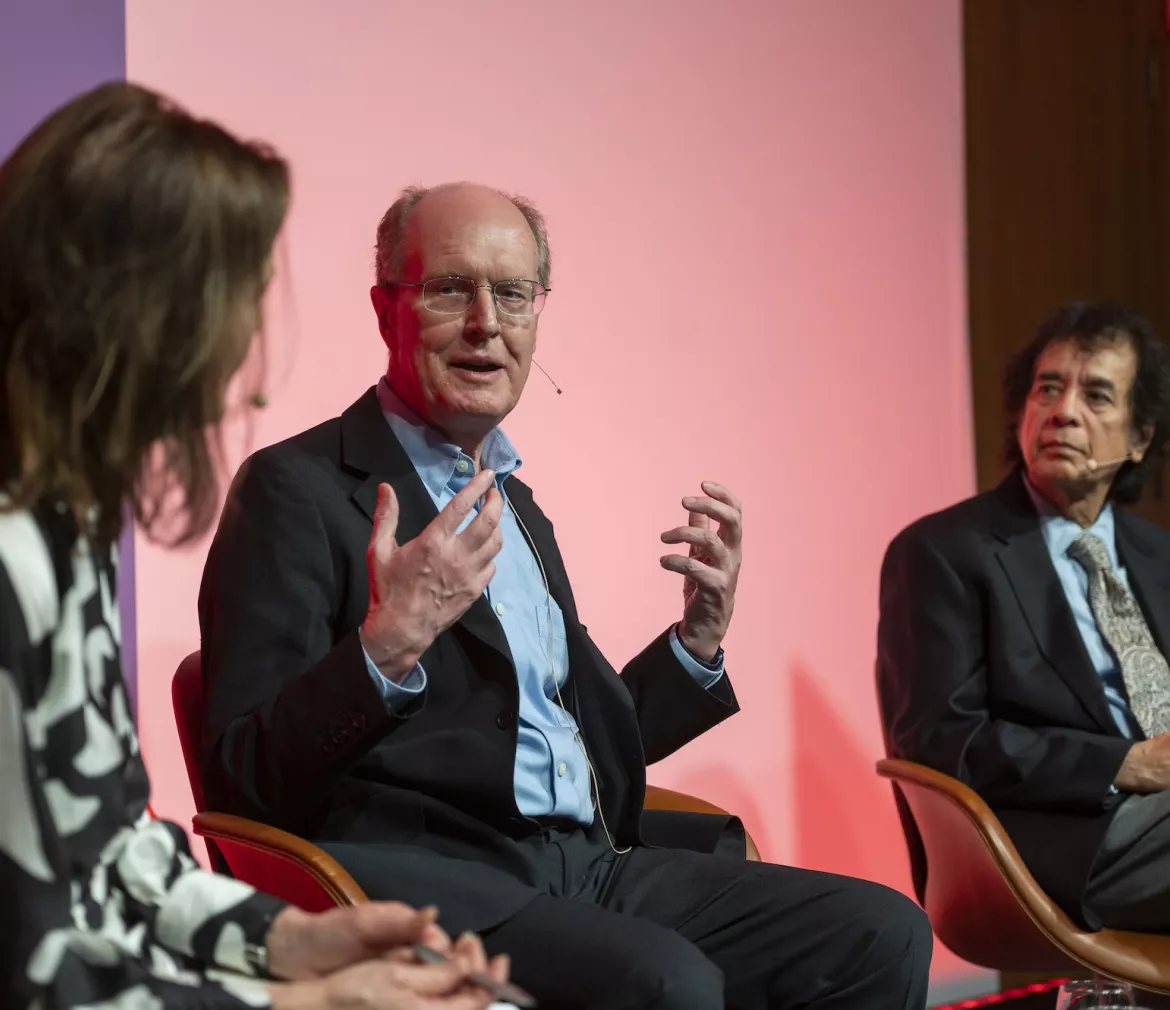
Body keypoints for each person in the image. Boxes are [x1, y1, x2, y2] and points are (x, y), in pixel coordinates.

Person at [199, 180, 933, 1010]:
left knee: (882, 931)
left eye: (511, 293)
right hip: (434, 884)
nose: (486, 322)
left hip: (585, 865)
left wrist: (694, 646)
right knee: (670, 985)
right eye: (449, 289)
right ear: (385, 311)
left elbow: (571, 741)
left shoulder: (515, 504)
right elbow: (238, 773)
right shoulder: (296, 490)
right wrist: (385, 648)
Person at [0, 84, 510, 1010]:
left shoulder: (60, 538)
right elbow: (38, 967)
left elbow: (115, 853)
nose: (245, 341)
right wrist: (310, 1003)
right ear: (123, 306)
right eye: (230, 293)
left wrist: (294, 936)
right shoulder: (9, 563)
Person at [878, 301, 1170, 932]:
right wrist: (1125, 764)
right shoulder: (943, 552)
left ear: (1139, 437)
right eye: (1048, 388)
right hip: (1058, 840)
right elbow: (937, 740)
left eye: (1097, 395)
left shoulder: (1160, 557)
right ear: (1021, 411)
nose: (1064, 411)